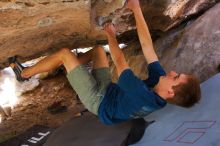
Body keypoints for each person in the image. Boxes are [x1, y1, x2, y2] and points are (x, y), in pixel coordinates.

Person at [9, 0, 201, 125]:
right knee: (98, 50)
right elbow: (147, 46)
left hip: (98, 102)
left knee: (65, 54)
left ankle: (24, 74)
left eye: (176, 78)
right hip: (110, 91)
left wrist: (110, 32)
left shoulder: (140, 94)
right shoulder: (161, 86)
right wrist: (136, 8)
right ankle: (66, 68)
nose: (173, 72)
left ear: (170, 92)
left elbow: (119, 60)